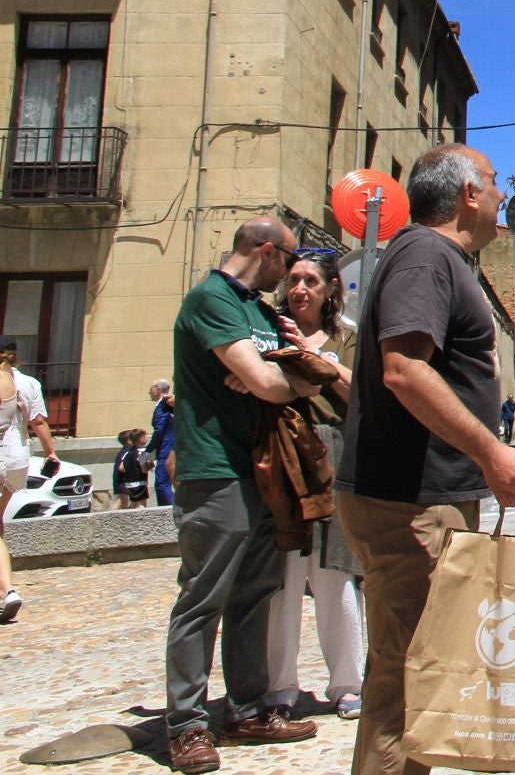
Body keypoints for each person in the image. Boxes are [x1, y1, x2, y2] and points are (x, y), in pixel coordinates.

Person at [334, 146, 515, 775]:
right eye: (489, 180)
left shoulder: (437, 259)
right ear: (466, 195)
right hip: (409, 502)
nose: (500, 194)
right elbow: (404, 370)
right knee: (410, 682)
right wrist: (491, 451)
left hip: (422, 498)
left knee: (414, 675)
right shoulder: (427, 256)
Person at [164, 218, 323, 773]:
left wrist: (283, 373)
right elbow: (271, 384)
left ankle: (247, 709)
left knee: (255, 593)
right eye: (288, 256)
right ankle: (185, 725)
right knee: (202, 599)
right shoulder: (211, 299)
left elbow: (302, 368)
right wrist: (276, 378)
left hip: (264, 471)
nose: (291, 268)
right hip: (215, 470)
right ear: (265, 251)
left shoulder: (258, 310)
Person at [265, 253, 364, 720]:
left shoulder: (346, 339)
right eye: (293, 280)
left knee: (335, 571)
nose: (300, 287)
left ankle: (347, 682)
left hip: (332, 453)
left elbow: (362, 395)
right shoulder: (266, 331)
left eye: (310, 280)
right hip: (281, 455)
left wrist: (317, 362)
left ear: (329, 289)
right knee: (283, 577)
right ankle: (280, 686)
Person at [0, 337, 57, 623]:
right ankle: (8, 590)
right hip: (17, 458)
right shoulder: (27, 383)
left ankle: (8, 590)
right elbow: (38, 421)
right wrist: (51, 452)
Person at [148, 378, 176, 507]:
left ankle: (170, 512)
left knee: (161, 483)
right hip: (172, 447)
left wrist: (146, 453)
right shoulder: (168, 406)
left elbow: (159, 431)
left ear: (158, 389)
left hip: (166, 448)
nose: (149, 392)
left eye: (151, 389)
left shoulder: (163, 404)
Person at [115, 428, 150, 509]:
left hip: (129, 484)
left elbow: (121, 468)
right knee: (142, 505)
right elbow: (143, 469)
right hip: (140, 483)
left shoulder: (128, 452)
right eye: (145, 437)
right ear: (140, 438)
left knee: (133, 505)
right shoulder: (143, 453)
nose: (146, 439)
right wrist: (149, 466)